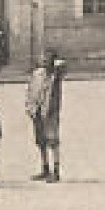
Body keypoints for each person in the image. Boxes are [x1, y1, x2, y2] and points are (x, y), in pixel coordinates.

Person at [25, 50, 65, 182]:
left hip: (50, 112)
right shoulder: (37, 74)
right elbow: (30, 90)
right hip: (37, 110)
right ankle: (45, 167)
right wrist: (29, 107)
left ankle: (56, 170)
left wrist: (57, 65)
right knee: (41, 141)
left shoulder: (55, 76)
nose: (44, 61)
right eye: (43, 59)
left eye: (48, 59)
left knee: (52, 141)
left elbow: (62, 67)